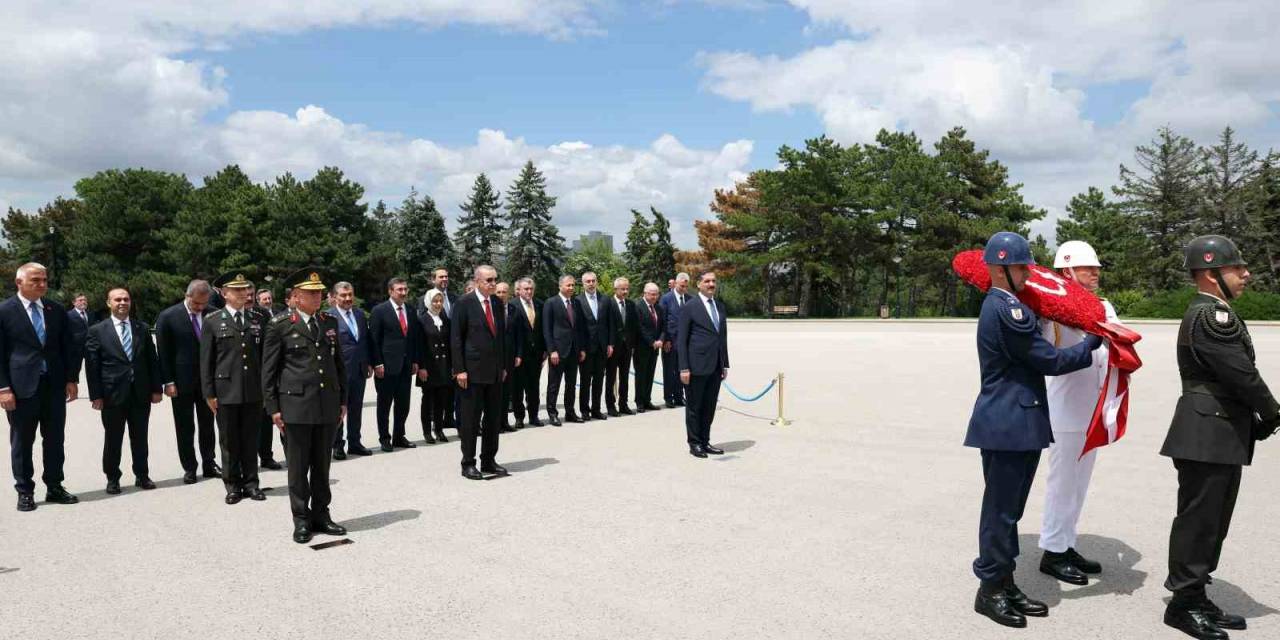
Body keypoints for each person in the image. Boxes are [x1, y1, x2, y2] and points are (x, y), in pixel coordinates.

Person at [964, 232, 1102, 629]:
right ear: (1000, 269)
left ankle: (1004, 583)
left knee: (1010, 511)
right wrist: (1092, 341)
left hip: (1017, 421)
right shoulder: (1007, 310)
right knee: (1000, 512)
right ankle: (990, 589)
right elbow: (1050, 361)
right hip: (1007, 422)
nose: (1029, 272)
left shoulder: (1012, 304)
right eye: (1022, 266)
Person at [1159, 235, 1279, 639]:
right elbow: (1240, 375)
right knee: (1199, 520)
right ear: (1211, 275)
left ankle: (1195, 594)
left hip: (1217, 430)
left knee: (1213, 520)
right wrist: (1274, 410)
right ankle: (1182, 603)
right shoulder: (1212, 317)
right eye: (1236, 268)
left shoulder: (1213, 311)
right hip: (1206, 431)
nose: (1246, 274)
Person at [1036, 241, 1116, 585]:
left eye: (1096, 268)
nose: (1094, 273)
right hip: (1066, 410)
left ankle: (1066, 544)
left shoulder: (1104, 305)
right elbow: (1044, 349)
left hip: (1094, 407)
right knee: (1062, 483)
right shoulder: (1048, 308)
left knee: (1080, 484)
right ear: (1066, 270)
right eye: (1087, 268)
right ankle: (1052, 552)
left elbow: (1117, 340)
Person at [262, 268, 348, 544]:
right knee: (298, 468)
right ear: (296, 297)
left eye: (319, 292)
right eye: (311, 293)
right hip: (295, 406)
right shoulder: (280, 324)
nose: (317, 296)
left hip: (326, 405)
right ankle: (301, 520)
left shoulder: (329, 322)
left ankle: (321, 515)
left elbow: (338, 365)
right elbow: (269, 371)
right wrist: (274, 408)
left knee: (322, 466)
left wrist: (343, 401)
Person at [0, 263, 81, 511]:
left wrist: (71, 379)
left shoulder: (55, 309)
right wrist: (3, 388)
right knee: (22, 441)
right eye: (36, 280)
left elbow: (68, 346)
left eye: (45, 279)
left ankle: (55, 486)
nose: (42, 284)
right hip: (20, 388)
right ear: (19, 282)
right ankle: (25, 490)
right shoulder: (4, 311)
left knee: (55, 439)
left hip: (54, 385)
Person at [85, 287, 163, 494]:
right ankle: (112, 478)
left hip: (140, 393)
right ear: (108, 303)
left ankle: (142, 475)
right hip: (112, 395)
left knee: (140, 437)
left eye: (126, 299)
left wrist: (157, 389)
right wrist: (96, 395)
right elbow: (92, 366)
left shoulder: (142, 328)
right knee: (113, 438)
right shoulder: (97, 330)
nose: (122, 303)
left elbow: (152, 361)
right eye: (117, 299)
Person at [201, 271, 267, 505]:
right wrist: (209, 392)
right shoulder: (212, 321)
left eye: (245, 289)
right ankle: (232, 485)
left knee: (251, 439)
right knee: (229, 440)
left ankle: (252, 483)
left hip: (253, 390)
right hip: (225, 390)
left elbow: (265, 358)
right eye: (237, 290)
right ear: (224, 293)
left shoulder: (258, 319)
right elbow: (206, 360)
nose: (243, 293)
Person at [156, 279, 221, 484]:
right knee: (184, 426)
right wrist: (168, 381)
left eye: (204, 303)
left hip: (208, 382)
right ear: (187, 296)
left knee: (208, 424)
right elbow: (164, 353)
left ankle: (209, 463)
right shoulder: (168, 317)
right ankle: (190, 467)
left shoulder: (213, 313)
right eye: (196, 304)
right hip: (181, 382)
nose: (200, 308)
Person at [451, 265, 511, 480]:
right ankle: (468, 462)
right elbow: (456, 338)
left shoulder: (496, 303)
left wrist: (503, 366)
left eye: (495, 279)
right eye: (489, 280)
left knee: (493, 418)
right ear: (477, 281)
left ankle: (488, 460)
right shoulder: (464, 303)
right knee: (470, 420)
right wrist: (459, 370)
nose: (493, 284)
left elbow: (501, 338)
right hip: (472, 372)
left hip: (494, 371)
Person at [677, 272, 729, 458]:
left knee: (709, 407)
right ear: (698, 284)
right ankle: (695, 443)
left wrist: (725, 364)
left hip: (715, 366)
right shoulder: (689, 307)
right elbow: (681, 340)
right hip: (695, 366)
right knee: (694, 407)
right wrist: (684, 367)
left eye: (714, 281)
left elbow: (722, 337)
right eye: (707, 281)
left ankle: (705, 441)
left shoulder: (720, 306)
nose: (711, 284)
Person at [369, 277, 422, 452]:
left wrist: (415, 360)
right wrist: (377, 363)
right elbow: (374, 340)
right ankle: (385, 438)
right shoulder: (379, 311)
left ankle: (399, 436)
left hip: (406, 366)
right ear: (390, 291)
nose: (404, 292)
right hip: (386, 366)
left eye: (405, 289)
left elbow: (413, 338)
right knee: (384, 404)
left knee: (403, 404)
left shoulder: (411, 311)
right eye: (399, 289)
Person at [331, 281, 374, 459]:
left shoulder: (359, 314)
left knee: (356, 408)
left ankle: (355, 443)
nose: (348, 298)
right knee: (338, 409)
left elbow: (365, 341)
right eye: (343, 295)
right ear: (335, 297)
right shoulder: (328, 317)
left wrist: (369, 362)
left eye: (350, 295)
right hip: (338, 372)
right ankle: (337, 445)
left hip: (359, 370)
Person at [248, 284, 283, 471]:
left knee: (265, 419)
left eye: (250, 294)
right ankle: (246, 461)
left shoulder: (262, 316)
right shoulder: (222, 317)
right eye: (243, 293)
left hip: (262, 375)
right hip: (239, 379)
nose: (247, 297)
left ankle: (266, 456)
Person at [542, 275, 584, 425]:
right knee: (554, 384)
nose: (571, 288)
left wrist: (581, 349)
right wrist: (552, 350)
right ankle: (552, 413)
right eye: (568, 285)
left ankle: (570, 412)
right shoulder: (551, 303)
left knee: (571, 384)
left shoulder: (576, 303)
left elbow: (579, 328)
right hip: (558, 352)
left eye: (573, 285)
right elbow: (546, 329)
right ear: (560, 286)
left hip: (574, 350)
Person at [576, 271, 613, 421]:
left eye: (593, 281)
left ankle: (596, 409)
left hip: (602, 347)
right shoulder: (577, 301)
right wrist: (581, 348)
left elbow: (610, 323)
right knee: (585, 381)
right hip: (586, 348)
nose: (591, 284)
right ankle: (584, 410)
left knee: (599, 380)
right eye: (588, 281)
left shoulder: (605, 300)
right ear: (583, 284)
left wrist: (610, 343)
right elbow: (577, 328)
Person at [417, 289, 452, 444]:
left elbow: (450, 344)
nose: (438, 304)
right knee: (428, 400)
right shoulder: (421, 320)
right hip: (429, 366)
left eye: (440, 301)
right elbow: (419, 346)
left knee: (441, 400)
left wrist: (453, 366)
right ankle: (427, 432)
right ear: (428, 302)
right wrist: (421, 367)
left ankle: (439, 429)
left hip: (443, 365)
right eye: (435, 301)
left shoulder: (445, 319)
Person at [510, 277, 545, 427]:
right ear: (519, 290)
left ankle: (534, 416)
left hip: (536, 354)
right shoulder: (512, 305)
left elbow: (543, 329)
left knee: (534, 387)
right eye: (526, 289)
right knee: (518, 387)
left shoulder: (539, 304)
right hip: (520, 355)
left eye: (531, 289)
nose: (529, 291)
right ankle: (519, 417)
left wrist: (545, 350)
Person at [606, 277, 639, 417]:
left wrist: (633, 345)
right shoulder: (608, 304)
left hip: (627, 348)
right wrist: (609, 344)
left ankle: (623, 404)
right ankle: (611, 406)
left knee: (624, 377)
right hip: (613, 347)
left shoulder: (631, 304)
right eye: (622, 289)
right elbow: (606, 326)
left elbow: (634, 326)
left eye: (627, 289)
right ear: (615, 289)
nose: (625, 291)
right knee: (611, 378)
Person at [495, 281, 524, 433]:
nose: (501, 295)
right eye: (498, 292)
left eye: (504, 292)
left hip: (510, 356)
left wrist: (519, 354)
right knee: (495, 392)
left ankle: (504, 421)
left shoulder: (514, 309)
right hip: (495, 356)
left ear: (509, 293)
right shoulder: (491, 309)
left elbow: (519, 335)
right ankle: (495, 423)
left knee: (507, 391)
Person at [660, 273, 691, 407]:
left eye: (686, 286)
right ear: (676, 284)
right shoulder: (666, 299)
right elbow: (663, 321)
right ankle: (668, 397)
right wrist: (665, 339)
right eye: (681, 286)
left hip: (686, 343)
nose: (684, 288)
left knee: (682, 369)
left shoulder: (690, 299)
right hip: (670, 342)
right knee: (669, 371)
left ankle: (679, 397)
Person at [633, 282, 665, 413]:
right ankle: (639, 402)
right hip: (642, 347)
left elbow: (663, 326)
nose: (654, 297)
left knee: (650, 375)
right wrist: (652, 342)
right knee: (641, 375)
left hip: (655, 348)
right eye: (652, 294)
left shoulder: (658, 308)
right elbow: (640, 328)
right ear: (645, 293)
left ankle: (647, 400)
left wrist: (661, 340)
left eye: (656, 294)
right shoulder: (638, 306)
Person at [67, 293, 96, 362]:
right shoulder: (68, 315)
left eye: (85, 300)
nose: (83, 302)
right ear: (74, 302)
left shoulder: (91, 314)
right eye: (80, 300)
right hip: (75, 351)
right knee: (73, 371)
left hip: (90, 349)